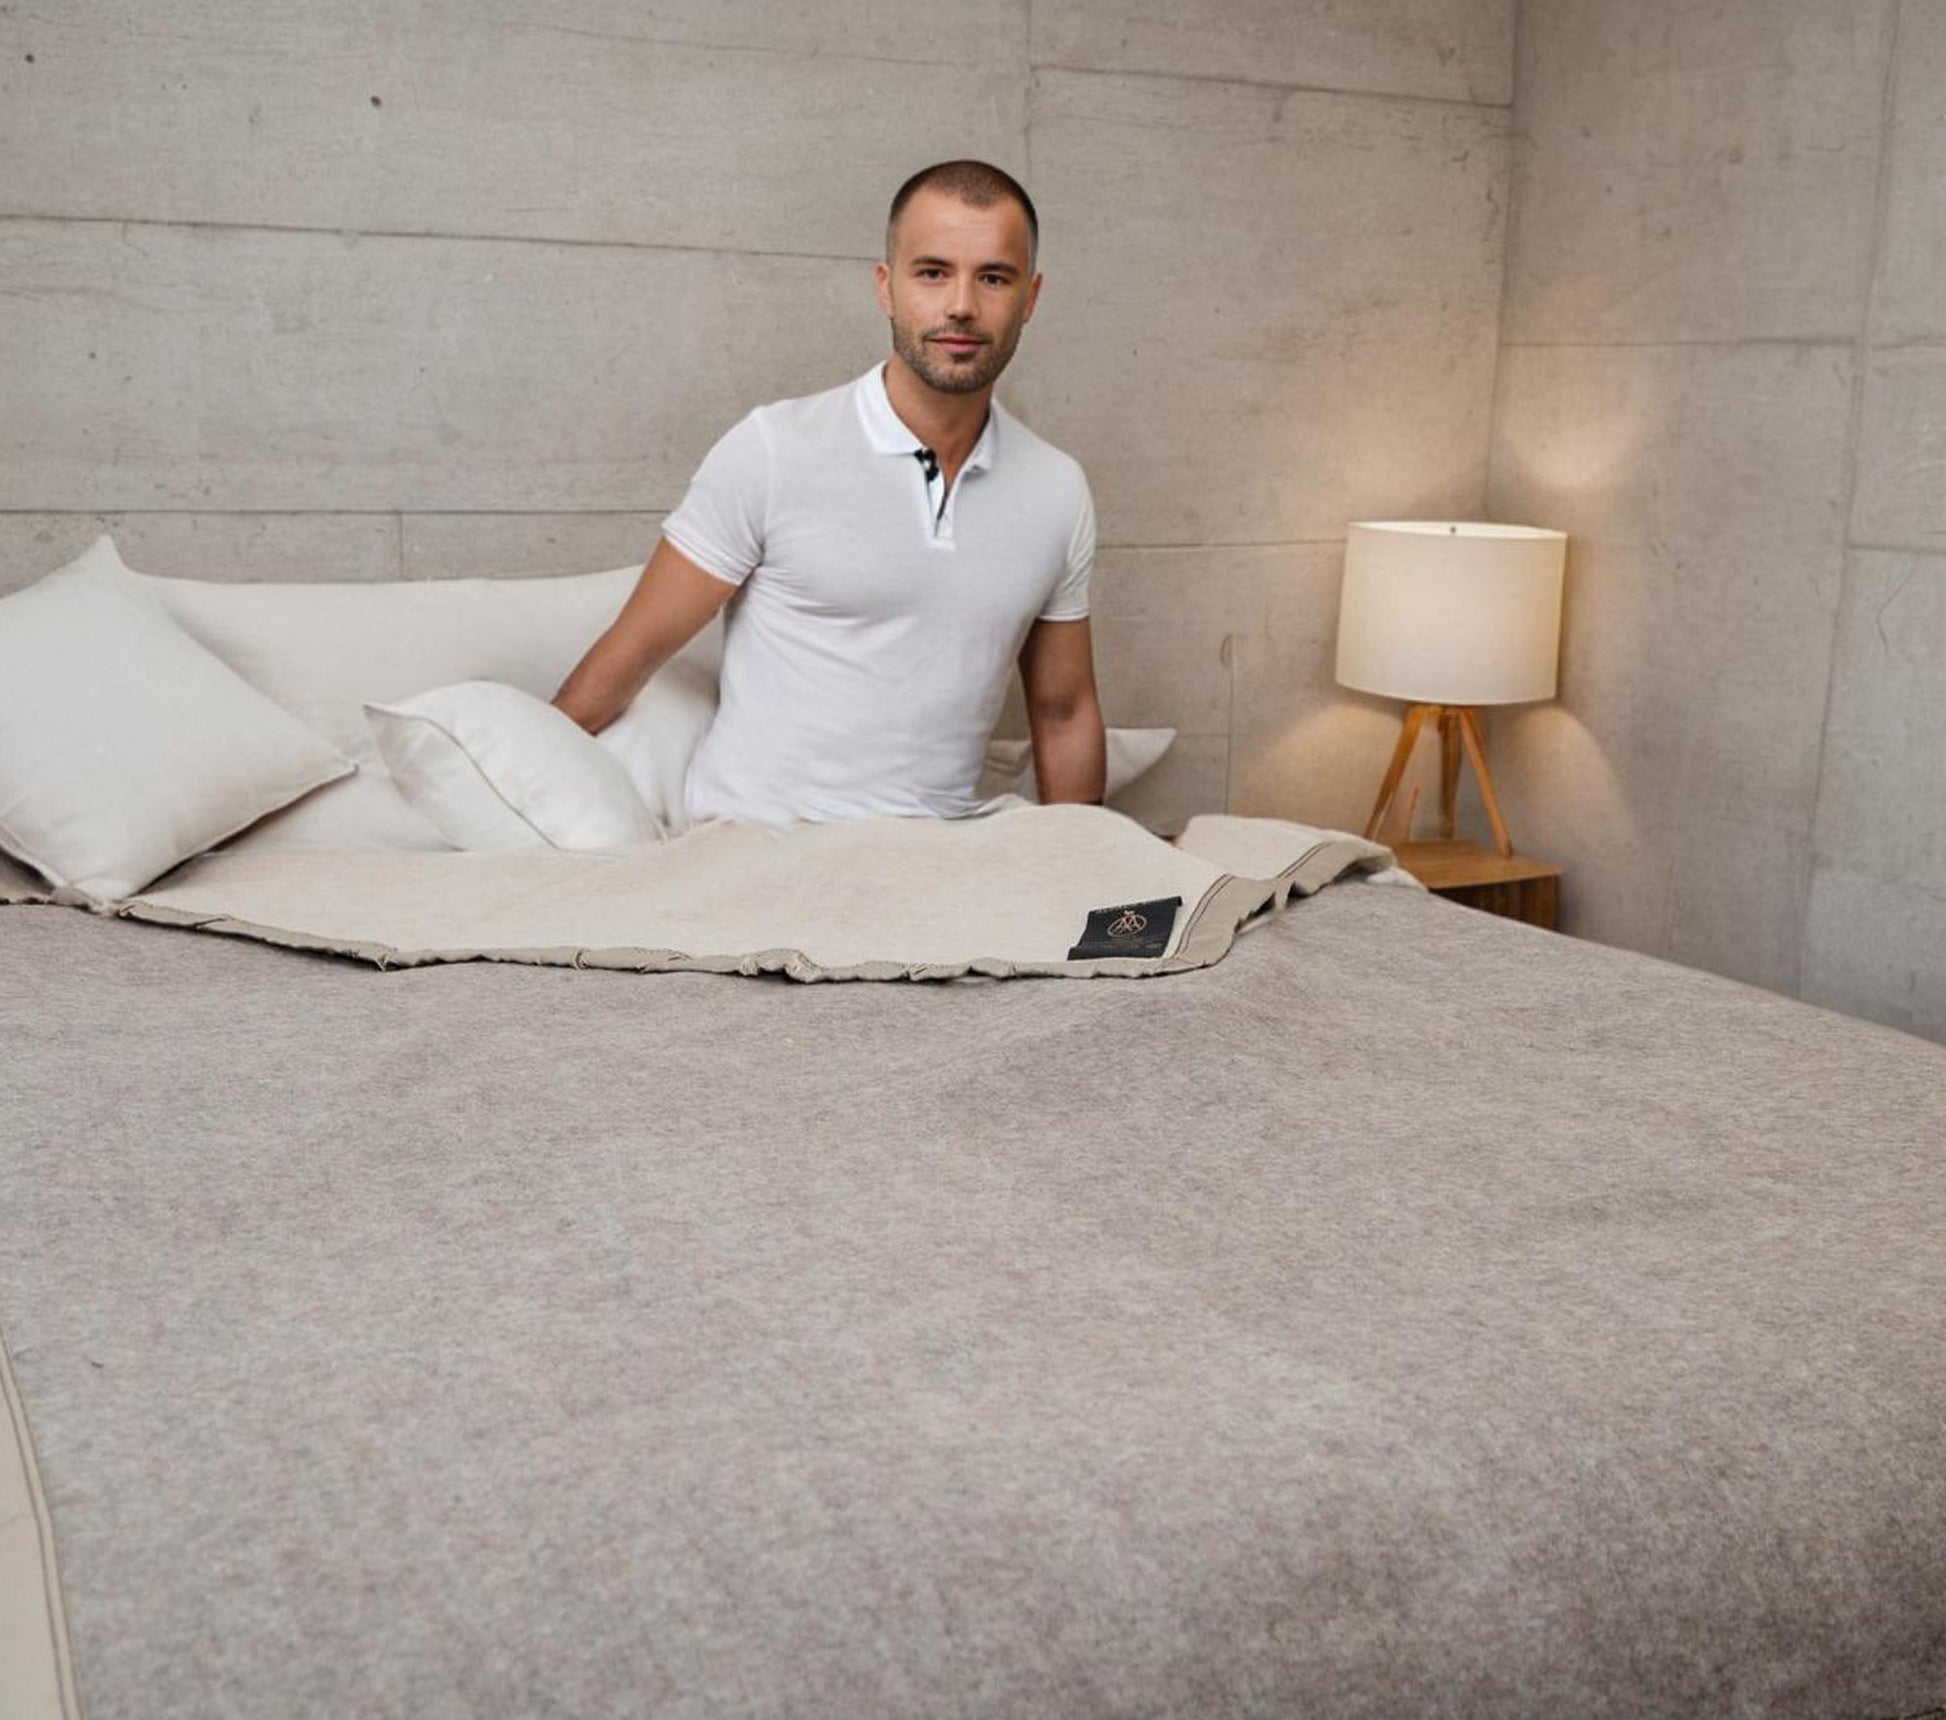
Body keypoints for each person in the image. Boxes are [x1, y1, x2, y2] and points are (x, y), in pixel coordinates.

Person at [550, 159, 1106, 827]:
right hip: (760, 841)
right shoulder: (775, 450)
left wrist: (1093, 863)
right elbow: (628, 657)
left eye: (993, 277)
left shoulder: (1056, 488)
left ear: (1030, 297)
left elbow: (1064, 711)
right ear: (887, 287)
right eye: (933, 272)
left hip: (944, 850)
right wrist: (519, 805)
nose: (961, 304)